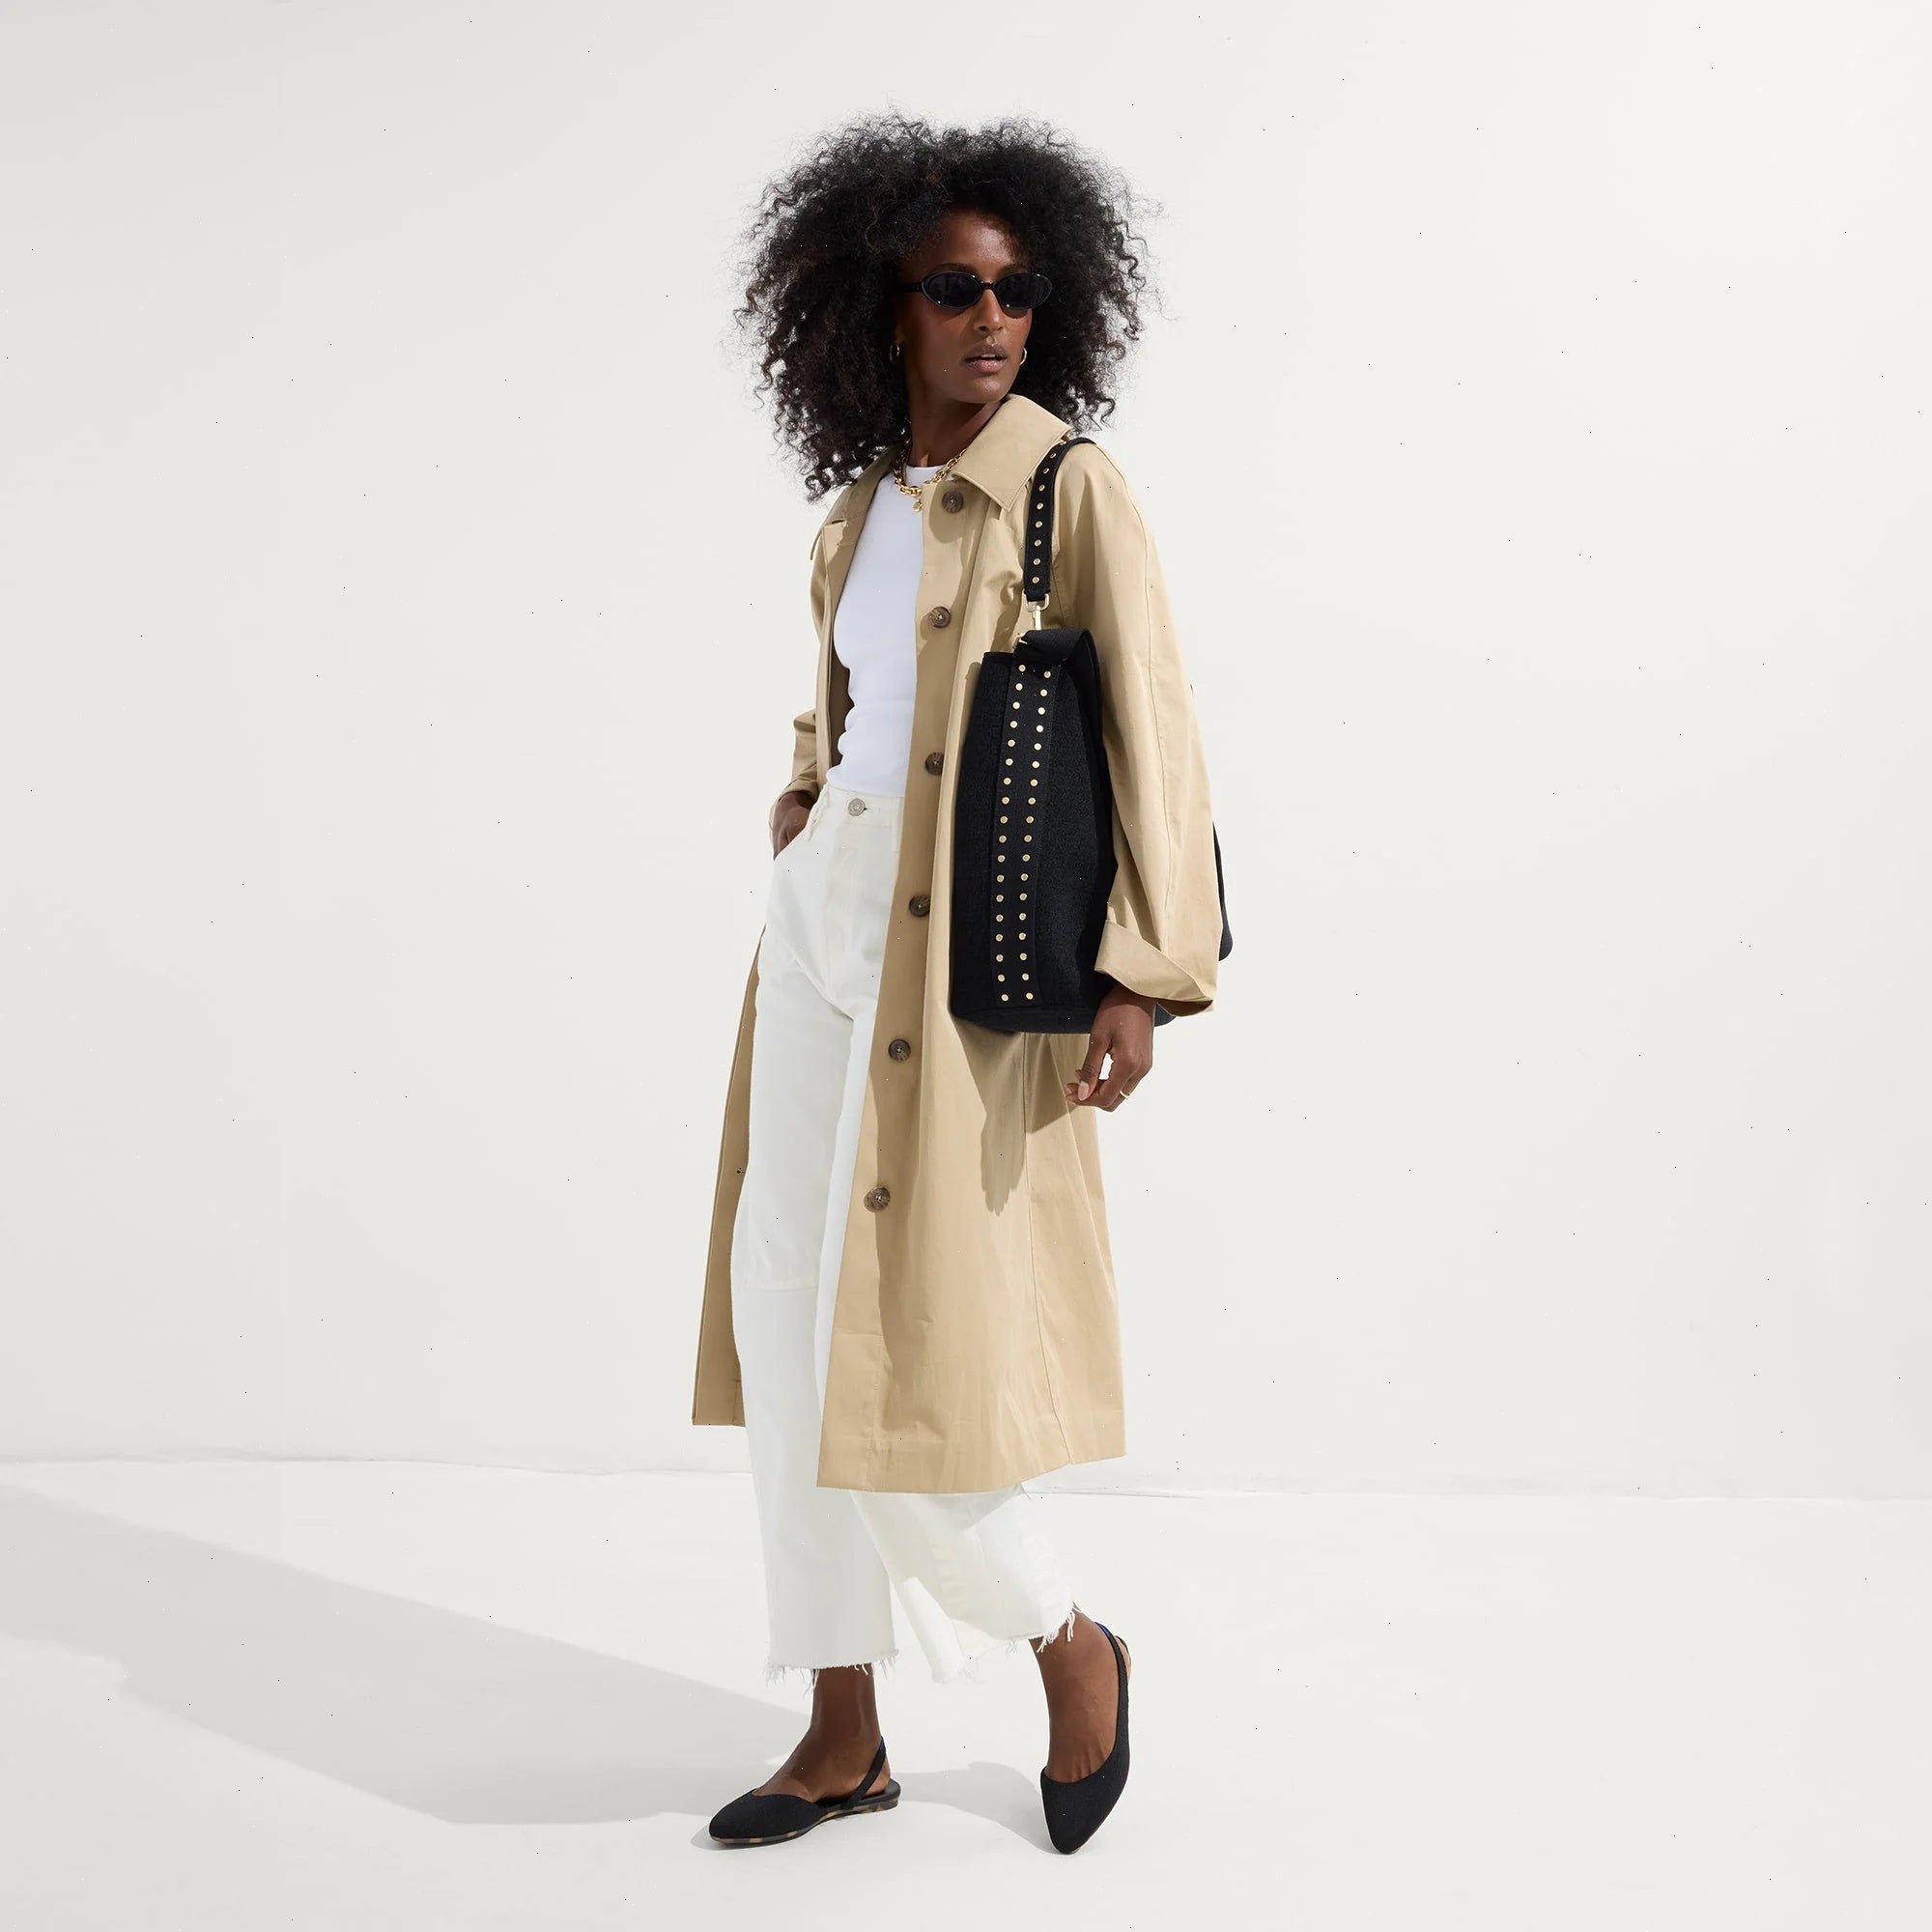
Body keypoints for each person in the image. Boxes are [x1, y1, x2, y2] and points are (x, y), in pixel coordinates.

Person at [696, 112, 1225, 1855]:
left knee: (901, 1343)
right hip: (819, 929)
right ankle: (841, 1728)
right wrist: (804, 798)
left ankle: (1069, 1644)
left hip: (965, 957)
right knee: (787, 1310)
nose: (992, 318)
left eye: (1018, 290)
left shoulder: (1069, 491)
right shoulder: (861, 511)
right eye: (954, 288)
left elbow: (1154, 738)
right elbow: (853, 708)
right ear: (885, 308)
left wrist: (1143, 972)